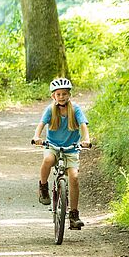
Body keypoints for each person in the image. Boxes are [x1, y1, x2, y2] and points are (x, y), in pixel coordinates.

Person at [32, 78, 93, 230]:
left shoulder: (75, 109)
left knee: (74, 177)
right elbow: (41, 125)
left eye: (64, 94)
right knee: (47, 160)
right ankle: (44, 187)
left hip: (71, 148)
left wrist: (86, 140)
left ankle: (74, 215)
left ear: (69, 95)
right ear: (53, 96)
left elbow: (83, 125)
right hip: (52, 146)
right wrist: (37, 137)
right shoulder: (50, 110)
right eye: (58, 94)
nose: (61, 97)